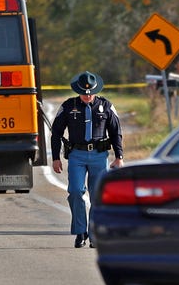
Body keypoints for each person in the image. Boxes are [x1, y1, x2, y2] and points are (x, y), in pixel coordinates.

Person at [51, 71, 124, 248]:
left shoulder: (106, 106)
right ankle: (80, 231)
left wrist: (119, 156)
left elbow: (116, 132)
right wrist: (55, 158)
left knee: (97, 195)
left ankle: (94, 234)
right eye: (84, 93)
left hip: (99, 156)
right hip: (77, 155)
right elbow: (56, 133)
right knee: (76, 191)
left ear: (95, 90)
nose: (87, 95)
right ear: (78, 91)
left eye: (90, 92)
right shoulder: (69, 106)